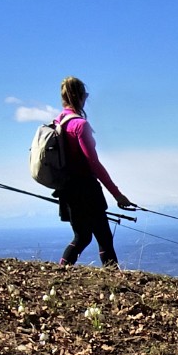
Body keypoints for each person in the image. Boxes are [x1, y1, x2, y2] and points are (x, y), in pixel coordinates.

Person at [53, 76, 135, 268]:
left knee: (82, 237)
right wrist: (118, 195)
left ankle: (61, 271)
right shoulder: (80, 126)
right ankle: (115, 281)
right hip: (86, 189)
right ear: (80, 97)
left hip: (68, 190)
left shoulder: (59, 122)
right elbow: (94, 164)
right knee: (104, 238)